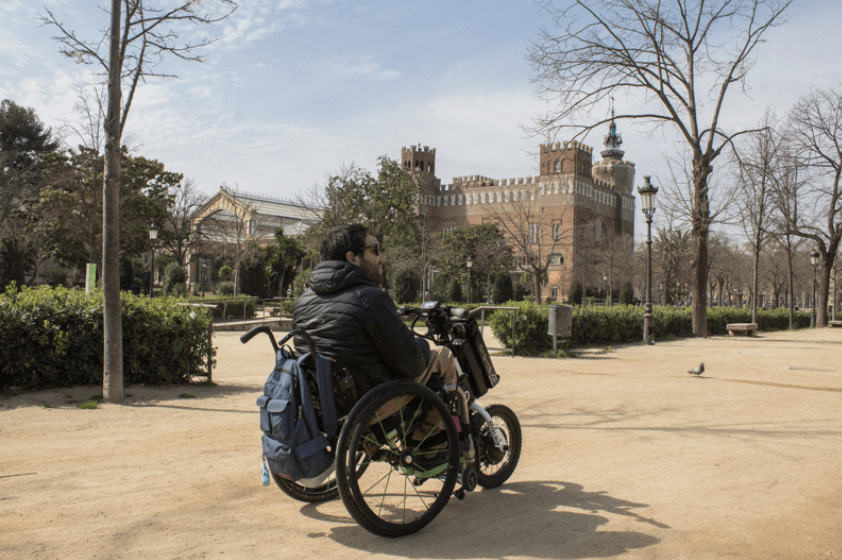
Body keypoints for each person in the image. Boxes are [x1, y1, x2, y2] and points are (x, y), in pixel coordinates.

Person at [293, 224, 468, 456]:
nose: (382, 258)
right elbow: (412, 363)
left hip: (327, 406)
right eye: (375, 250)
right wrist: (423, 345)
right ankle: (432, 437)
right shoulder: (370, 298)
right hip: (372, 403)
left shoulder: (304, 301)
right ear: (352, 258)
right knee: (443, 356)